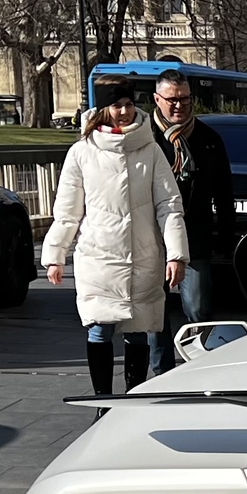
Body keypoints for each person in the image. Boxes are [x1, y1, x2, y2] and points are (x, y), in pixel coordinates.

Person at [42, 79, 188, 396]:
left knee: (138, 332)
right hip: (99, 256)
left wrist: (176, 254)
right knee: (99, 329)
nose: (124, 111)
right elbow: (67, 212)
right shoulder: (81, 153)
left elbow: (170, 205)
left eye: (129, 104)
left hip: (143, 255)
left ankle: (132, 395)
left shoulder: (150, 150)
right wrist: (55, 254)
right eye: (117, 105)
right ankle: (103, 400)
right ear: (102, 110)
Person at [149, 74, 234, 372]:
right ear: (157, 100)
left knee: (198, 307)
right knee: (154, 310)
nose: (179, 106)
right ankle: (161, 370)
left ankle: (197, 367)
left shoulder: (209, 139)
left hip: (194, 234)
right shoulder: (145, 138)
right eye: (172, 99)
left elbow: (224, 192)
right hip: (152, 237)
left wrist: (225, 235)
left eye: (185, 98)